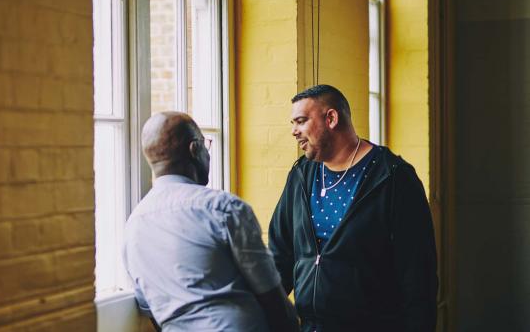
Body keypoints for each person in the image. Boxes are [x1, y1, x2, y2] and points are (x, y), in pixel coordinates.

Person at [268, 85, 438, 332]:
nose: (294, 131)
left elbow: (418, 277)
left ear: (331, 118)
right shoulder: (301, 176)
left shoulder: (393, 178)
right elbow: (278, 256)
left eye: (301, 121)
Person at [123, 111, 299, 332]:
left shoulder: (133, 227)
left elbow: (150, 308)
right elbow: (273, 298)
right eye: (205, 145)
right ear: (195, 149)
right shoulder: (223, 209)